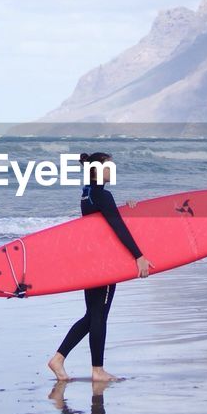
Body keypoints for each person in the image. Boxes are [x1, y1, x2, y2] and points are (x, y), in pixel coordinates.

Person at [48, 152, 152, 382]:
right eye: (109, 167)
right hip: (104, 264)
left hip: (90, 261)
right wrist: (139, 256)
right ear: (97, 170)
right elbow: (117, 228)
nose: (112, 171)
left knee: (92, 315)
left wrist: (128, 209)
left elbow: (105, 223)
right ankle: (97, 370)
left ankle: (58, 359)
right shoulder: (103, 195)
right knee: (99, 317)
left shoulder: (87, 195)